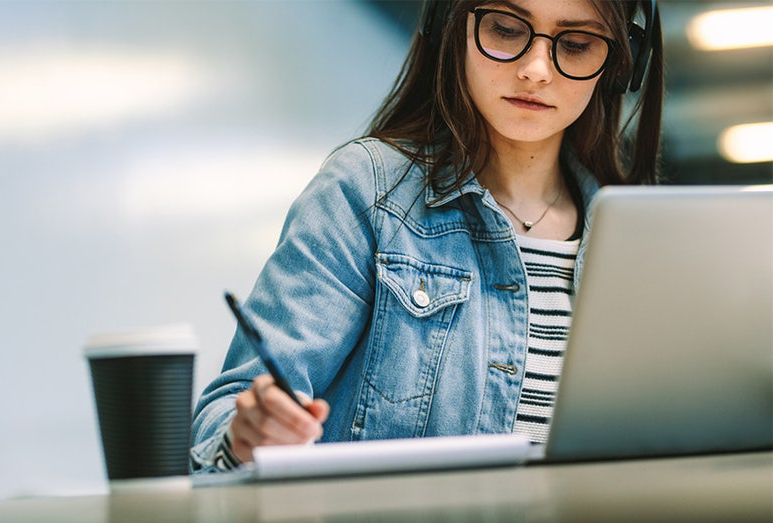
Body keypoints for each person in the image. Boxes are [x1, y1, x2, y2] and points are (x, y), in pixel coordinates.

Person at [191, 0, 664, 472]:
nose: (536, 70)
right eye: (505, 29)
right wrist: (249, 434)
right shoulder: (366, 193)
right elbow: (225, 416)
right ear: (450, 25)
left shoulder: (639, 238)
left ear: (624, 64)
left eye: (577, 45)